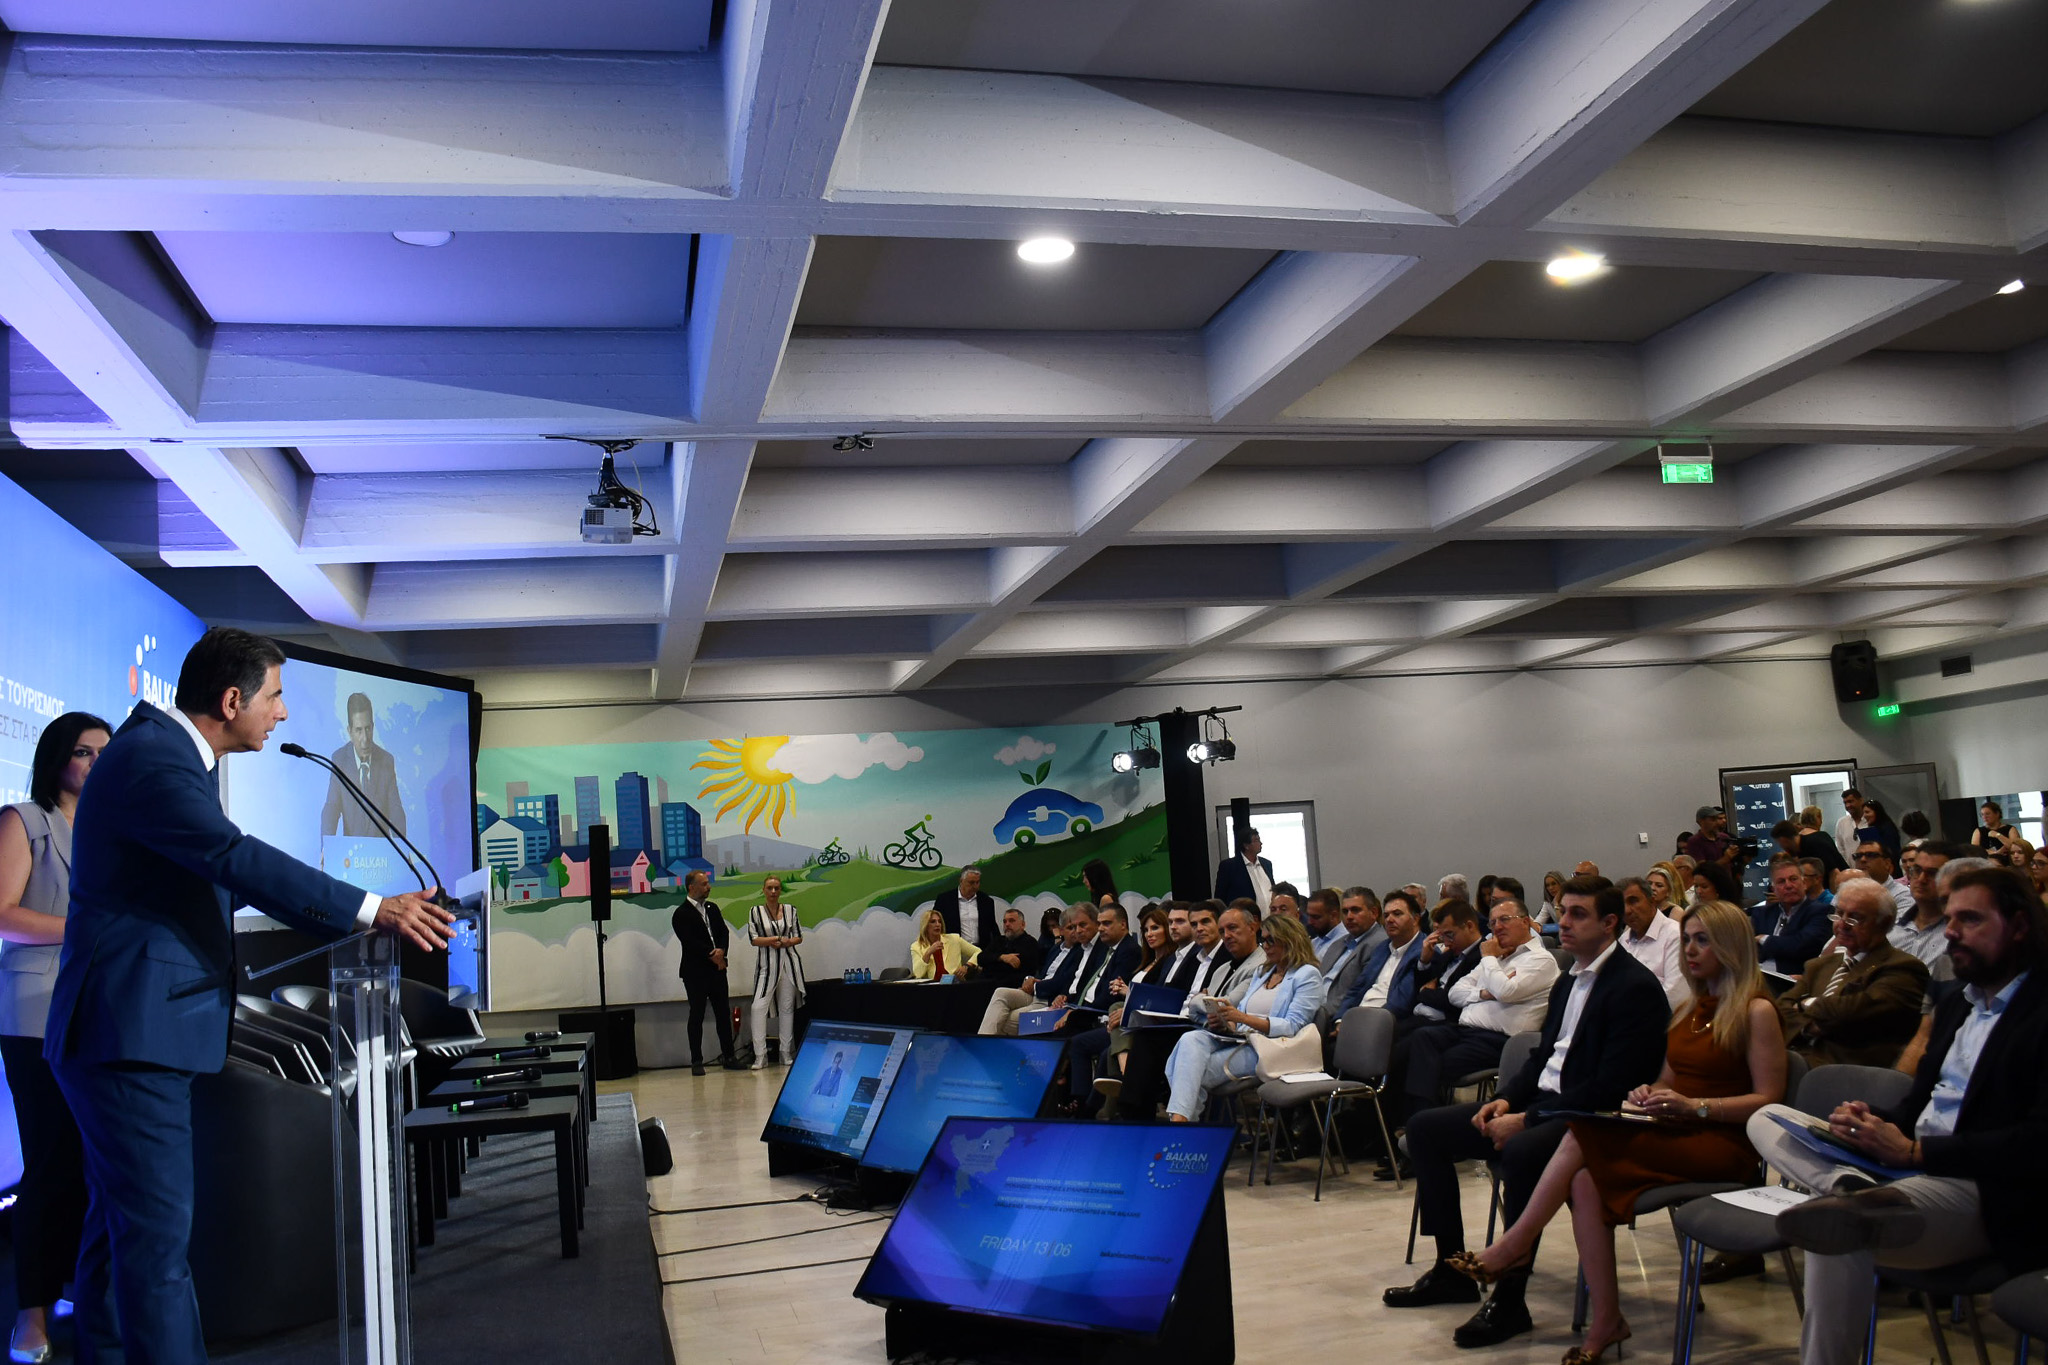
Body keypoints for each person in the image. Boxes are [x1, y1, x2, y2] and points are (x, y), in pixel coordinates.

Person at [45, 629, 451, 1365]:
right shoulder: (151, 758)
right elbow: (231, 856)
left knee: (119, 1237)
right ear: (232, 700)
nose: (283, 712)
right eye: (276, 695)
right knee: (156, 1248)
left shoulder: (166, 757)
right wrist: (370, 908)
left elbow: (204, 877)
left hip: (129, 1032)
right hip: (129, 1036)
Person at [1449, 899, 1787, 1360]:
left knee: (1580, 1132)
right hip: (1678, 1127)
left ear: (1732, 947)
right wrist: (1649, 1094)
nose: (1690, 950)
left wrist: (1697, 1107)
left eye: (1703, 940)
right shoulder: (1690, 1008)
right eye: (1687, 940)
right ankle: (1606, 1321)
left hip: (1723, 1141)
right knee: (1584, 1182)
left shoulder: (1755, 1010)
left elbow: (1769, 1099)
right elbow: (1667, 1080)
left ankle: (1515, 1243)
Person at [1748, 866, 2047, 1365]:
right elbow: (1918, 1106)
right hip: (1912, 1170)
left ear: (2019, 926)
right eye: (1950, 919)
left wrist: (1915, 1152)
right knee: (1768, 1117)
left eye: (1970, 920)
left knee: (1836, 1227)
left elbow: (2037, 1142)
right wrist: (1871, 1120)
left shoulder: (2038, 1011)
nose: (1951, 932)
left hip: (1985, 1188)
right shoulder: (1959, 1004)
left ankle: (1849, 1196)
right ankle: (1850, 1184)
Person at [1382, 878, 1669, 1350]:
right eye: (1564, 911)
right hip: (1547, 1104)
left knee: (1519, 1150)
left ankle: (1511, 1299)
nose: (1563, 922)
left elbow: (1611, 1086)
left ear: (1609, 923)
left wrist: (1527, 1120)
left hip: (1592, 1118)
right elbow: (1541, 1058)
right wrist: (1507, 1100)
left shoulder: (1634, 986)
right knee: (1426, 1128)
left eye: (1578, 914)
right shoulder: (1570, 979)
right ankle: (1451, 1270)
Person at [0, 712, 109, 1365]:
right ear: (56, 758)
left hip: (97, 1012)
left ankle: (74, 1289)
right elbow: (2, 913)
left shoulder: (103, 830)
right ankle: (30, 1314)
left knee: (91, 1163)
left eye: (104, 753)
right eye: (84, 752)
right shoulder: (24, 819)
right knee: (48, 1163)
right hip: (35, 1013)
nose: (96, 764)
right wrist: (81, 930)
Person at [1401, 899, 1558, 1119]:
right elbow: (1456, 993)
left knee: (1429, 1063)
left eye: (1504, 920)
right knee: (1422, 1038)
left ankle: (1420, 1121)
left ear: (1525, 922)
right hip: (1465, 1030)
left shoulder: (1540, 960)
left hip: (1499, 1040)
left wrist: (1490, 960)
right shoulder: (1499, 957)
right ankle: (1420, 1120)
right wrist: (1485, 993)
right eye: (1493, 922)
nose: (1497, 927)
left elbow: (1506, 991)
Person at [1101, 904, 1258, 1119]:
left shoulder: (1228, 958)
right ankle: (1135, 1109)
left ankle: (1139, 1111)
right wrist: (1200, 1002)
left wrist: (1199, 1002)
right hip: (1194, 1023)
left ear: (1253, 927)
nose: (1199, 928)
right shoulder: (1200, 959)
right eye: (1194, 924)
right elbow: (1194, 1001)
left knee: (1147, 1041)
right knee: (1131, 1032)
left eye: (1205, 922)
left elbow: (1219, 1004)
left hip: (1217, 1031)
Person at [1163, 915, 1323, 1122]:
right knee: (1191, 1039)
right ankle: (1183, 1125)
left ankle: (1180, 1123)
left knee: (1187, 1070)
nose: (1265, 946)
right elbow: (1241, 1017)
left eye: (1270, 940)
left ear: (1290, 939)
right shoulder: (1263, 972)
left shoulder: (1307, 975)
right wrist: (1227, 1022)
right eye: (1263, 939)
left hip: (1272, 1047)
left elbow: (1293, 1026)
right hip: (1242, 1039)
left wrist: (1243, 1018)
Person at [1776, 877, 1929, 1066]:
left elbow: (1854, 1012)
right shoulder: (1820, 965)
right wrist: (1809, 1027)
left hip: (1847, 1072)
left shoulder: (1904, 968)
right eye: (1839, 914)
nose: (1842, 924)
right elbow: (1781, 1010)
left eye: (1855, 917)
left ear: (1884, 922)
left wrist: (1806, 1003)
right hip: (1793, 1062)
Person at [1064, 905, 1170, 1114]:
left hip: (1140, 1025)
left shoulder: (1158, 959)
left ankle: (1088, 1107)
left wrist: (1126, 995)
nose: (1149, 934)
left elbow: (1157, 999)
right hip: (1123, 1023)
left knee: (1094, 1046)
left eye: (1155, 928)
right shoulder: (1146, 961)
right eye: (1146, 930)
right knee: (1099, 1042)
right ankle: (1093, 1108)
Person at [978, 904, 1102, 1036]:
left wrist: (1035, 985)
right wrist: (1029, 980)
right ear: (1061, 930)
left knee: (1007, 1019)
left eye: (1078, 926)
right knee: (1000, 993)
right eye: (1071, 928)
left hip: (1048, 997)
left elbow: (1063, 981)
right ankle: (982, 1039)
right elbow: (1041, 972)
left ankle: (986, 1042)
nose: (1076, 931)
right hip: (1035, 992)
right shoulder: (1056, 948)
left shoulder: (1080, 951)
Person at [674, 869, 742, 1075]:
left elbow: (723, 932)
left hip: (717, 969)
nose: (708, 887)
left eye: (708, 883)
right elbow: (690, 941)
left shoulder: (712, 908)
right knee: (697, 1014)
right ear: (691, 887)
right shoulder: (681, 913)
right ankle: (697, 1060)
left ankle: (729, 1056)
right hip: (695, 973)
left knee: (723, 1013)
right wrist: (711, 955)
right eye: (704, 884)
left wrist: (721, 951)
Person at [317, 691, 405, 838]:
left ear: (373, 727)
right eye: (358, 730)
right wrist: (327, 845)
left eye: (367, 729)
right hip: (353, 850)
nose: (365, 739)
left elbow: (395, 809)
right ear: (350, 731)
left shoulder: (386, 761)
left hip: (380, 849)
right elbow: (331, 808)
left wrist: (401, 845)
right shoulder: (339, 760)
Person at [746, 876, 805, 1069]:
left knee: (787, 1008)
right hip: (767, 965)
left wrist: (787, 941)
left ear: (781, 890)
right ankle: (760, 1055)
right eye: (770, 888)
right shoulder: (755, 911)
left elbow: (798, 937)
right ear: (763, 890)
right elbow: (754, 939)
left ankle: (785, 1052)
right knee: (758, 1007)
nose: (773, 892)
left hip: (788, 963)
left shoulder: (790, 910)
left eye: (777, 888)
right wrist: (773, 940)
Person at [1751, 854, 1832, 977]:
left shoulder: (1821, 911)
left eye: (1793, 879)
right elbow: (1750, 949)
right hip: (1758, 975)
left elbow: (1801, 946)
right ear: (1774, 889)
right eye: (1781, 881)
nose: (1788, 885)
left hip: (1792, 980)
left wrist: (1764, 939)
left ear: (1804, 883)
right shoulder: (1762, 913)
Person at [1617, 875, 1689, 1008]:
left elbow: (1676, 996)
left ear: (1652, 901)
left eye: (1633, 901)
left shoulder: (1675, 936)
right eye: (1621, 905)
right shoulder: (1623, 940)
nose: (1627, 910)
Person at [1892, 841, 1961, 969]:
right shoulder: (1892, 926)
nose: (1921, 879)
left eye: (1933, 873)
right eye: (1917, 870)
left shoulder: (1958, 933)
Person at [909, 904, 979, 981]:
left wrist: (967, 965)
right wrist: (928, 953)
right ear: (925, 926)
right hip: (932, 985)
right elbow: (918, 974)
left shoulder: (954, 939)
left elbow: (978, 952)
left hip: (954, 982)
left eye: (939, 922)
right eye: (933, 922)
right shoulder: (916, 946)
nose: (937, 924)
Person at [932, 865, 996, 944]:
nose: (975, 886)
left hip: (981, 949)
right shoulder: (944, 900)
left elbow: (993, 927)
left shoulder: (986, 901)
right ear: (961, 881)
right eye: (971, 882)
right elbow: (933, 925)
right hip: (954, 948)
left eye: (977, 882)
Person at [979, 906, 1040, 989]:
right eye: (1005, 921)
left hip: (1009, 986)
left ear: (1023, 925)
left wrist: (992, 962)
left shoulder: (1030, 943)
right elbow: (980, 958)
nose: (1007, 924)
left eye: (1011, 921)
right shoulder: (999, 940)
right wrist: (1002, 957)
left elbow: (1013, 968)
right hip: (986, 982)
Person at [1213, 829, 1273, 911]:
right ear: (1246, 845)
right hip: (1244, 915)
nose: (1260, 843)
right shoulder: (1229, 866)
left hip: (1270, 916)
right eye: (1256, 840)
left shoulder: (1266, 864)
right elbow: (1220, 897)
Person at [1854, 839, 1913, 917]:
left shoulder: (1903, 895)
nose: (1862, 859)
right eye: (1858, 856)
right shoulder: (1850, 892)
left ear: (1887, 863)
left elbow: (1899, 924)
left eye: (1870, 855)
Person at [1774, 817, 1847, 876]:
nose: (1782, 848)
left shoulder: (1816, 845)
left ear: (1785, 840)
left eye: (1781, 844)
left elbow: (1834, 873)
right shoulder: (1801, 849)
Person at [1304, 887, 1347, 962]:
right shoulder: (1314, 942)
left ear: (1333, 915)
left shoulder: (1346, 942)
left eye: (1316, 917)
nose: (1310, 922)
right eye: (1309, 916)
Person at [1856, 799, 1902, 864]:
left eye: (1867, 812)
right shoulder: (1872, 829)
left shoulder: (1887, 828)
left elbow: (1892, 851)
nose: (1864, 816)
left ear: (1877, 813)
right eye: (1863, 813)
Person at [1835, 787, 1867, 864]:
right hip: (1851, 868)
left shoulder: (1870, 820)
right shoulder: (1842, 823)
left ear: (1861, 800)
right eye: (1845, 803)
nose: (1848, 805)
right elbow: (1840, 849)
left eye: (1850, 801)